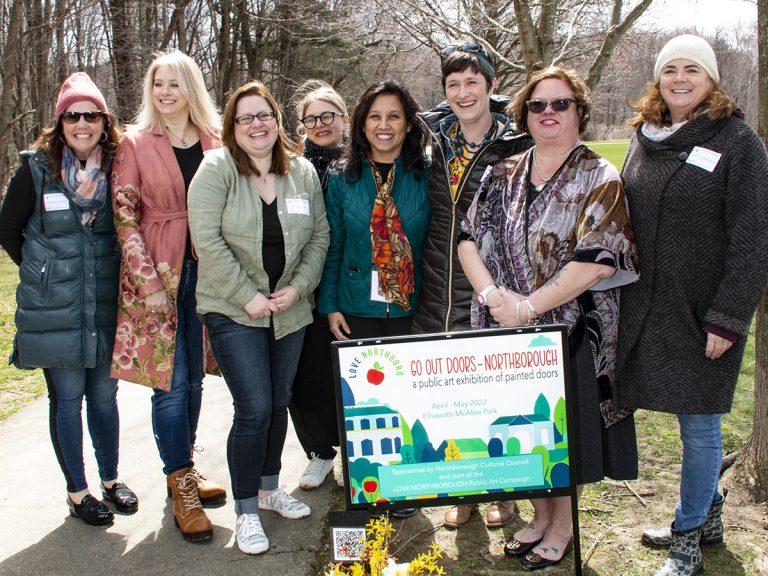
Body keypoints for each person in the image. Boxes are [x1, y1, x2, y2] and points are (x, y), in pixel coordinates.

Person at [458, 65, 639, 571]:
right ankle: (539, 516)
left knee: (563, 432)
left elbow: (596, 259)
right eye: (537, 105)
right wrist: (494, 295)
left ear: (579, 110)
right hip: (500, 330)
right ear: (524, 115)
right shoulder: (502, 172)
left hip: (571, 332)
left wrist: (528, 307)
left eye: (560, 103)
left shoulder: (599, 176)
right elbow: (467, 239)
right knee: (520, 430)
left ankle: (562, 527)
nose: (548, 113)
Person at [617, 35, 768, 576]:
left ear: (712, 79)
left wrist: (728, 317)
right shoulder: (645, 138)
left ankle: (686, 542)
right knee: (685, 420)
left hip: (706, 314)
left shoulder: (738, 143)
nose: (680, 79)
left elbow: (753, 240)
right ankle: (710, 516)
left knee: (699, 428)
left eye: (693, 69)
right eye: (670, 70)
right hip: (649, 305)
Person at [188, 80, 329, 555]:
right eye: (245, 117)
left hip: (289, 310)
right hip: (234, 309)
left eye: (263, 115)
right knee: (252, 407)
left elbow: (320, 238)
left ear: (277, 121)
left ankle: (270, 489)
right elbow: (205, 240)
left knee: (278, 400)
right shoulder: (216, 169)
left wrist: (298, 287)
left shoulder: (303, 172)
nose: (256, 124)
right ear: (232, 127)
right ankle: (246, 509)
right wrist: (248, 295)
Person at [0, 72, 137, 526]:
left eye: (91, 115)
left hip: (102, 303)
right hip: (54, 310)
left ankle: (112, 480)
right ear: (60, 123)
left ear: (104, 121)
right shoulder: (36, 170)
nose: (83, 123)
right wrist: (42, 274)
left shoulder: (119, 165)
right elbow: (8, 229)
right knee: (68, 399)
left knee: (104, 397)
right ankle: (78, 493)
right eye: (73, 115)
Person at [412, 40, 532, 529]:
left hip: (492, 282)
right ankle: (463, 492)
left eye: (472, 82)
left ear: (491, 84)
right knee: (446, 392)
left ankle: (504, 493)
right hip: (435, 280)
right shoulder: (429, 140)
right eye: (453, 84)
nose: (463, 93)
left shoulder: (516, 142)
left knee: (493, 394)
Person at [110, 51, 225, 543]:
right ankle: (179, 481)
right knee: (171, 381)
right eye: (158, 84)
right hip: (160, 273)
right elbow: (124, 217)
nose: (166, 92)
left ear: (191, 89)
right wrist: (148, 280)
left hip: (210, 272)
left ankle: (187, 466)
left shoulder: (215, 140)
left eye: (176, 84)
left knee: (196, 377)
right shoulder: (135, 143)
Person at [316, 79, 430, 519]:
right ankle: (368, 488)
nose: (384, 125)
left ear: (407, 124)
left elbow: (436, 245)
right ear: (362, 124)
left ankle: (402, 488)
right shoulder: (343, 180)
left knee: (404, 399)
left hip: (409, 306)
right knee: (361, 402)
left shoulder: (424, 176)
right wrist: (329, 303)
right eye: (375, 116)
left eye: (394, 116)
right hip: (355, 305)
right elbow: (334, 243)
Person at [289, 81, 349, 490]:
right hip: (303, 287)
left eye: (327, 115)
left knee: (353, 374)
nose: (319, 124)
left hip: (350, 284)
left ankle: (362, 453)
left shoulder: (361, 162)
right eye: (311, 118)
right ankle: (319, 452)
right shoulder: (291, 168)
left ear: (344, 118)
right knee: (306, 376)